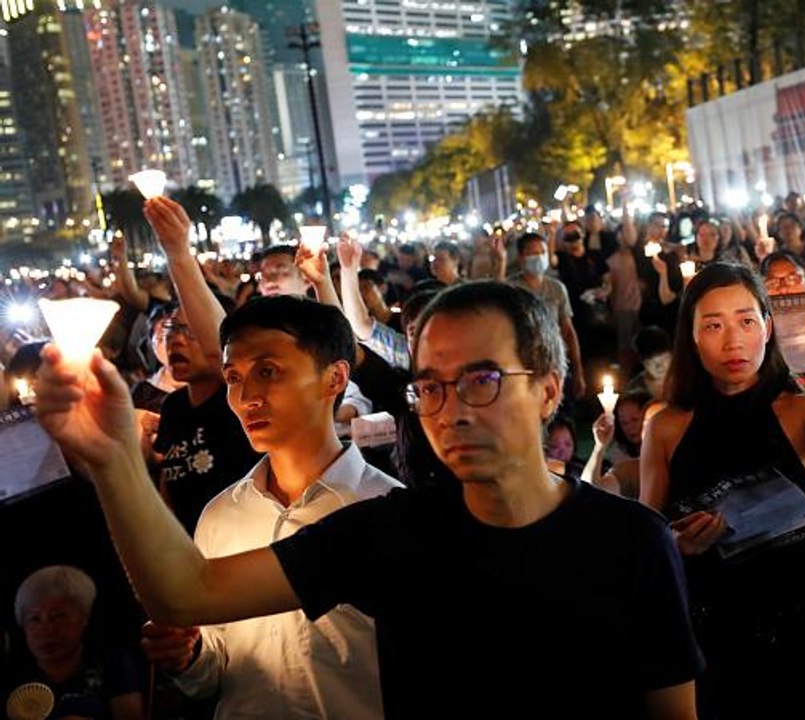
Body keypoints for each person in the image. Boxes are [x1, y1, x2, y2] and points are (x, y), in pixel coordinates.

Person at [33, 281, 701, 719]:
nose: (452, 410)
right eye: (431, 386)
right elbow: (187, 593)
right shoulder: (391, 533)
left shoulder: (631, 542)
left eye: (483, 380)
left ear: (550, 392)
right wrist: (114, 457)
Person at [640, 262, 805, 718]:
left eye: (746, 321)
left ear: (768, 328)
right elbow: (648, 535)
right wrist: (677, 544)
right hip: (713, 629)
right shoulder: (666, 426)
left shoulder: (803, 408)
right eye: (713, 326)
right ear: (691, 337)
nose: (732, 341)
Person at [139, 296, 400, 720]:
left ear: (334, 378)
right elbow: (214, 671)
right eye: (233, 377)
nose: (247, 397)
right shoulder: (221, 517)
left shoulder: (386, 510)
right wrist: (188, 655)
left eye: (268, 371)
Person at [144, 199, 262, 534]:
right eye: (171, 330)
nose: (175, 341)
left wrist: (178, 252)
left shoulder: (237, 401)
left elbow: (217, 349)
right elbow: (170, 480)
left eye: (188, 331)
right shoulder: (174, 406)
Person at [4, 565, 145, 720]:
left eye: (59, 616)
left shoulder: (113, 664)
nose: (47, 630)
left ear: (84, 617)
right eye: (34, 619)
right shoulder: (13, 675)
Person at [511, 231, 588, 400]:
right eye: (533, 253)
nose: (538, 257)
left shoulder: (557, 288)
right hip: (523, 365)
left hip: (555, 363)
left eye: (542, 252)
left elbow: (568, 330)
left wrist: (578, 370)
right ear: (521, 257)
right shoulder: (512, 289)